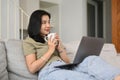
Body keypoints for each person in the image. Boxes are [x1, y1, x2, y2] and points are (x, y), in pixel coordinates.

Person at [23, 9, 120, 80]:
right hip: (50, 71)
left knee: (92, 59)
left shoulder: (50, 38)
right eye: (44, 23)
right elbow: (32, 68)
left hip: (65, 67)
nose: (48, 25)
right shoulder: (29, 41)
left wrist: (60, 48)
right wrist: (50, 50)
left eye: (49, 22)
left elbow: (67, 62)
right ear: (36, 24)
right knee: (84, 77)